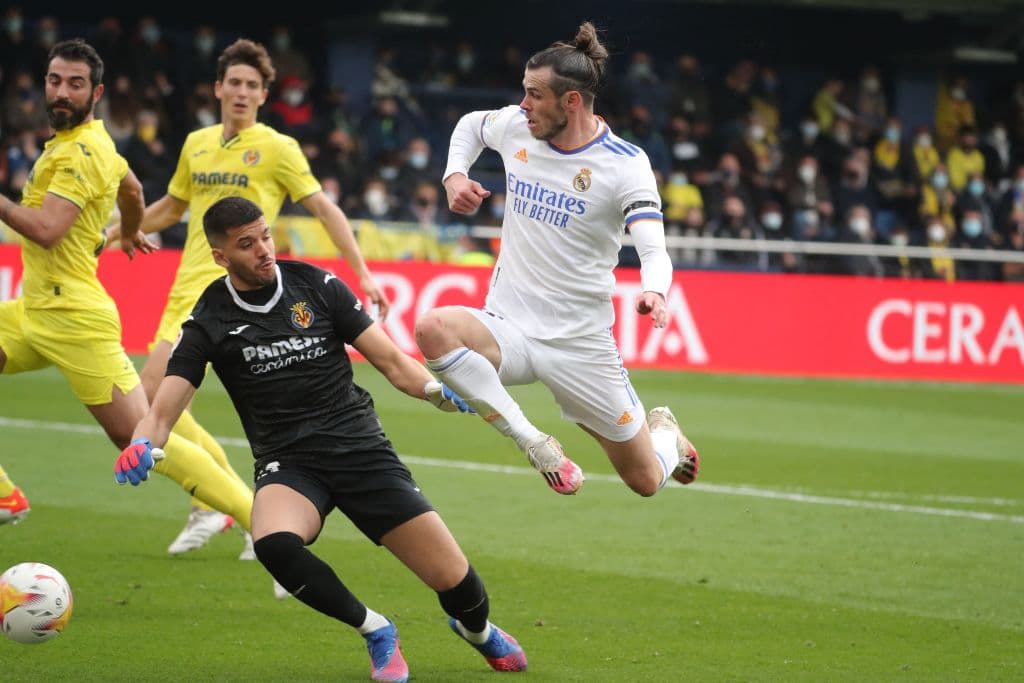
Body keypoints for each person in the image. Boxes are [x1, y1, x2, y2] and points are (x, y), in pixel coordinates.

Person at [114, 196, 527, 682]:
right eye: (247, 244)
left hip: (361, 450)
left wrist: (435, 391)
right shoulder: (208, 318)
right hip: (288, 463)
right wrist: (141, 443)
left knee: (457, 584)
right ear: (221, 256)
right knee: (273, 544)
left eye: (265, 235)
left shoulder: (316, 285)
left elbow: (392, 362)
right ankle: (376, 630)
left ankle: (477, 632)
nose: (264, 249)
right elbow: (162, 411)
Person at [108, 38, 390, 557]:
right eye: (234, 82)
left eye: (252, 85)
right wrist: (114, 232)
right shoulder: (196, 143)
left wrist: (364, 274)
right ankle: (214, 504)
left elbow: (325, 209)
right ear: (218, 88)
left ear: (264, 94)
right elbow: (172, 206)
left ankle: (227, 506)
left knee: (148, 396)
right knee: (159, 402)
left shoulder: (278, 148)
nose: (241, 92)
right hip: (187, 289)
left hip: (240, 294)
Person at [414, 22, 699, 497]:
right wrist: (454, 176)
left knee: (645, 480)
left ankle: (668, 436)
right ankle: (534, 443)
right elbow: (470, 126)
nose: (522, 105)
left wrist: (655, 289)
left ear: (570, 102)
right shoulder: (516, 127)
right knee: (432, 328)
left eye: (534, 95)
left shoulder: (624, 164)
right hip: (508, 325)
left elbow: (653, 248)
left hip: (579, 344)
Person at [0, 39, 253, 534]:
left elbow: (48, 230)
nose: (62, 92)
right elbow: (133, 189)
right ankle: (5, 496)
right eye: (55, 80)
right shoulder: (92, 144)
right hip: (34, 310)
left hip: (74, 320)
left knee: (142, 438)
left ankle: (260, 521)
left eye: (75, 84)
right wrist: (131, 228)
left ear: (96, 93)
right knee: (146, 434)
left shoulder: (80, 154)